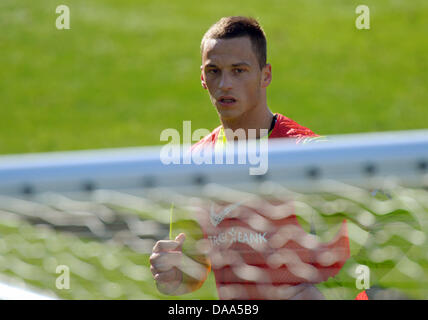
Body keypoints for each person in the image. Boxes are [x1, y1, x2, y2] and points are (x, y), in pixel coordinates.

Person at [150, 16, 350, 300]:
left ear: (265, 75)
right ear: (202, 78)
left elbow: (354, 267)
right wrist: (173, 275)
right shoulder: (192, 165)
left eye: (239, 71)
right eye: (214, 71)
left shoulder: (307, 154)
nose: (225, 84)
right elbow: (194, 271)